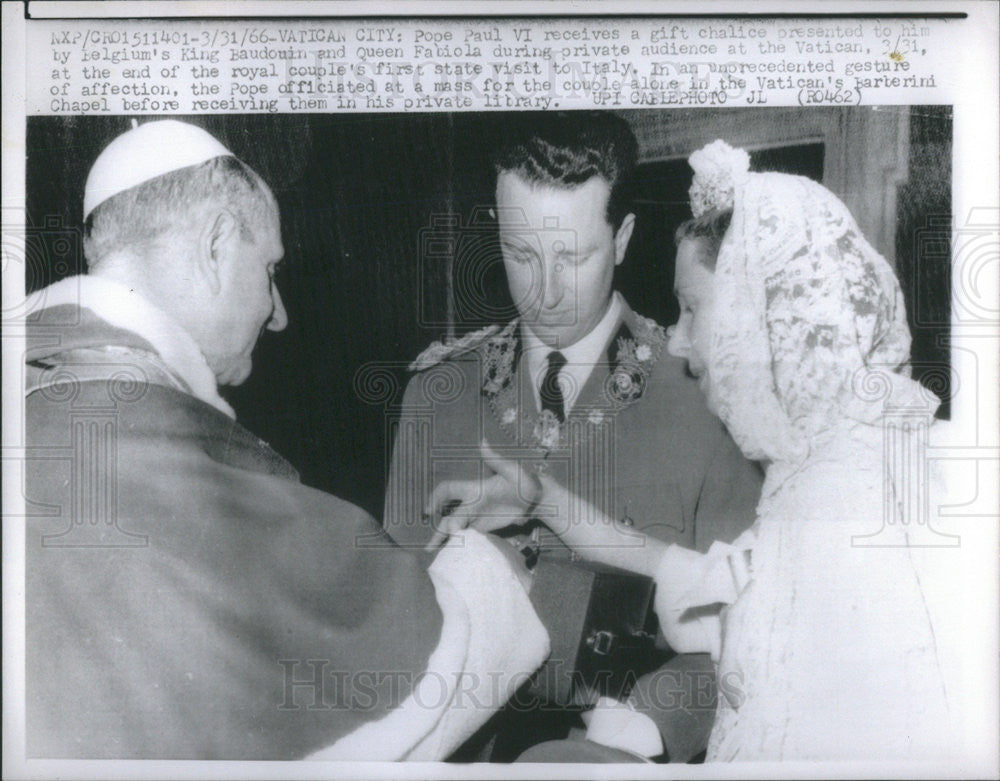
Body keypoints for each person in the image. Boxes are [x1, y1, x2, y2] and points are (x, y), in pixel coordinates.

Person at [23, 119, 549, 760]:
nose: (279, 313)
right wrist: (497, 564)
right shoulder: (146, 436)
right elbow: (375, 690)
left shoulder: (45, 381)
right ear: (217, 245)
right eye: (270, 269)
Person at [438, 139, 960, 761]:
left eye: (693, 309)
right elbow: (698, 578)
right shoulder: (816, 479)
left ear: (760, 318)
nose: (680, 343)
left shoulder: (859, 505)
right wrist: (545, 500)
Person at [383, 113, 763, 761]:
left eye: (574, 256)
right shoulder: (436, 394)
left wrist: (647, 724)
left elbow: (748, 633)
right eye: (520, 255)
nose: (546, 292)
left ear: (622, 238)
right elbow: (394, 623)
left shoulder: (707, 396)